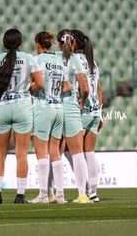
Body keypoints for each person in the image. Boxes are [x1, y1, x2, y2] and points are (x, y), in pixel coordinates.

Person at [0, 28, 44, 203]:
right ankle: (20, 195)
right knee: (21, 154)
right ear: (20, 43)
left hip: (2, 107)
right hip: (22, 107)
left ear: (4, 43)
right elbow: (40, 84)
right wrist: (28, 89)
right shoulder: (28, 58)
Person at [29, 31, 69, 204]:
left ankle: (44, 194)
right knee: (55, 152)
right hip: (58, 108)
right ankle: (60, 195)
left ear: (38, 45)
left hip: (43, 108)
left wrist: (30, 90)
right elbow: (67, 87)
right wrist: (53, 94)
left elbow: (36, 84)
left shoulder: (36, 60)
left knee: (41, 152)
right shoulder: (59, 61)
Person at [56, 29, 92, 203]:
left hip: (53, 107)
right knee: (78, 153)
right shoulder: (76, 59)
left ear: (58, 43)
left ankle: (54, 195)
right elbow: (85, 88)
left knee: (54, 152)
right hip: (70, 106)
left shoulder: (52, 58)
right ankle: (82, 194)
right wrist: (82, 102)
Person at [72, 29, 104, 202]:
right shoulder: (93, 62)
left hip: (81, 110)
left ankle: (82, 189)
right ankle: (93, 191)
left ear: (74, 43)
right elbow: (99, 89)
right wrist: (100, 113)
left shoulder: (74, 60)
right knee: (89, 152)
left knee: (71, 150)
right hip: (95, 112)